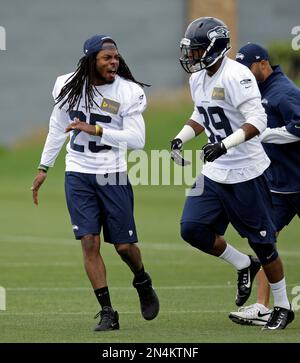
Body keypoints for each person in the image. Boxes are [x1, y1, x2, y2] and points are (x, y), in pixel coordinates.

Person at [170, 17, 294, 330]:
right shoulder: (198, 79)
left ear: (215, 48)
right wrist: (182, 137)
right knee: (192, 229)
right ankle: (242, 264)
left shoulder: (237, 75)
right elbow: (202, 112)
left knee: (265, 244)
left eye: (198, 50)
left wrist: (225, 144)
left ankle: (282, 305)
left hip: (246, 171)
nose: (193, 57)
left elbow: (258, 120)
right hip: (215, 171)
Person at [31, 34, 159, 331]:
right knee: (89, 242)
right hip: (77, 172)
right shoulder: (69, 85)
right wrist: (43, 166)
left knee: (125, 247)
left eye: (115, 57)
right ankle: (107, 312)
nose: (113, 62)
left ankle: (141, 278)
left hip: (112, 172)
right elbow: (56, 127)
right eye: (106, 58)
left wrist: (96, 129)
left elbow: (138, 141)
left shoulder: (128, 91)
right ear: (92, 61)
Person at [229, 43, 300, 326]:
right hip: (278, 186)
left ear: (262, 64)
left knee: (264, 242)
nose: (244, 74)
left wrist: (262, 134)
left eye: (248, 67)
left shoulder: (283, 92)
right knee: (264, 243)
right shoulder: (256, 93)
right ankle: (261, 306)